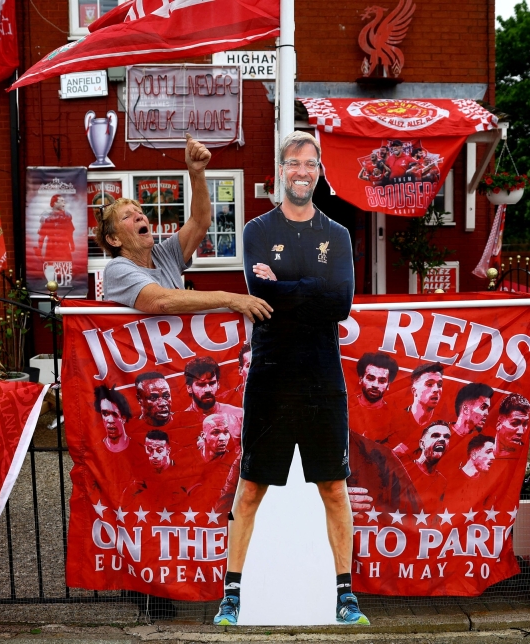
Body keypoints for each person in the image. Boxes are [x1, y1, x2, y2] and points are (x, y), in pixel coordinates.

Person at [213, 130, 368, 626]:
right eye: (292, 163)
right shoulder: (257, 230)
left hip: (323, 374)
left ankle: (345, 596)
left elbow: (340, 302)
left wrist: (287, 289)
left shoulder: (337, 234)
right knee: (252, 487)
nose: (301, 171)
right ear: (280, 171)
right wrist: (308, 291)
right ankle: (232, 596)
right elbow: (260, 289)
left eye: (309, 163)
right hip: (272, 374)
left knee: (333, 487)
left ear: (319, 171)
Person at [96, 134, 273, 323]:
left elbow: (200, 222)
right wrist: (231, 298)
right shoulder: (117, 268)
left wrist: (196, 172)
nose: (139, 215)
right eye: (127, 216)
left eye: (139, 211)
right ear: (114, 240)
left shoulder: (164, 254)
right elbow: (161, 301)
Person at [391, 362, 445, 456]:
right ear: (414, 390)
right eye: (429, 384)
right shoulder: (393, 421)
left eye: (439, 385)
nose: (436, 389)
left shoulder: (443, 429)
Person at [183, 356, 243, 438]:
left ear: (218, 384)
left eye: (212, 383)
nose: (208, 389)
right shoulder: (181, 423)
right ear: (189, 388)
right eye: (201, 384)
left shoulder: (238, 416)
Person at [348, 352, 399, 444]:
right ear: (361, 379)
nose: (375, 385)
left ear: (388, 385)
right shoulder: (345, 406)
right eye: (370, 378)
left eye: (382, 381)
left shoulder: (394, 418)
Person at [399, 421, 451, 502]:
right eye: (436, 435)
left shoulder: (442, 482)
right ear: (422, 444)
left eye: (446, 437)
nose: (442, 439)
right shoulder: (404, 470)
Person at [94, 385, 133, 453]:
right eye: (105, 414)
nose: (110, 420)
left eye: (115, 414)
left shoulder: (138, 445)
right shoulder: (95, 448)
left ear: (124, 417)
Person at [494, 394, 530, 459]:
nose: (521, 432)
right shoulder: (481, 454)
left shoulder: (523, 455)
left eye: (525, 423)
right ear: (499, 424)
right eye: (514, 423)